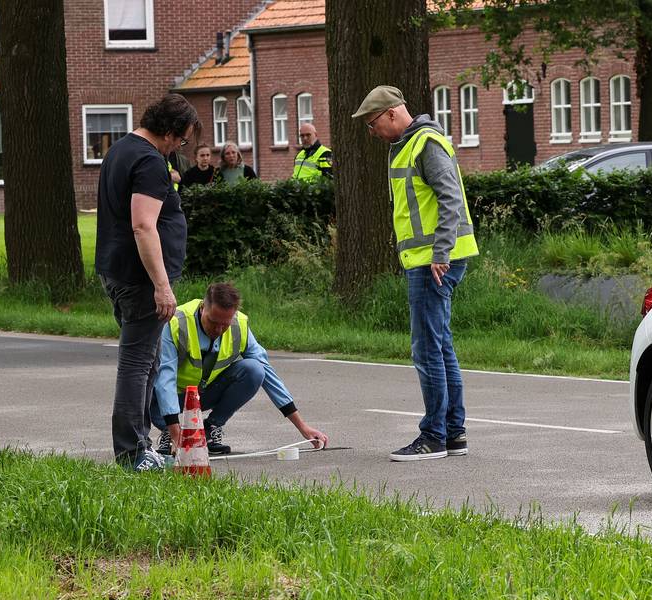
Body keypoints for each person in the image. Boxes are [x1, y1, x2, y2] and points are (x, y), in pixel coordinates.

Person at [354, 85, 479, 462]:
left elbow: (450, 197)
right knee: (439, 346)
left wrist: (440, 251)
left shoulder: (425, 143)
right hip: (432, 259)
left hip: (434, 261)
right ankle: (453, 433)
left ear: (392, 113)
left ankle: (434, 436)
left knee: (427, 349)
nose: (372, 132)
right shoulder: (408, 145)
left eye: (373, 123)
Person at [94, 94, 199, 472]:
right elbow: (143, 225)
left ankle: (142, 443)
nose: (180, 147)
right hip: (139, 278)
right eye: (182, 140)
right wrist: (162, 285)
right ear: (169, 132)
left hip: (116, 268)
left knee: (150, 361)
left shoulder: (120, 149)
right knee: (137, 364)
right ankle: (132, 452)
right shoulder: (150, 160)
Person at [150, 282, 329, 456]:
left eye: (225, 324)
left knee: (255, 370)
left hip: (202, 395)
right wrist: (175, 433)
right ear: (203, 307)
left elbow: (268, 376)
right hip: (164, 400)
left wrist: (303, 427)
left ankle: (210, 429)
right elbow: (165, 378)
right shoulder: (177, 323)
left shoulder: (239, 325)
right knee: (145, 389)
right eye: (213, 322)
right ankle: (169, 432)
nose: (219, 329)